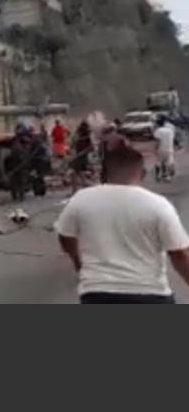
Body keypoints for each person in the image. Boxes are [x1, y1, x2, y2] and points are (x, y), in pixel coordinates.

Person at [55, 145, 189, 303]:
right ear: (143, 174)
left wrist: (78, 262)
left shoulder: (81, 199)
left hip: (96, 293)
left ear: (103, 173)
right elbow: (179, 254)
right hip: (149, 293)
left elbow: (65, 235)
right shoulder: (158, 205)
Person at [69, 121, 93, 193]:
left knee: (73, 172)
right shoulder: (80, 137)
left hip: (81, 158)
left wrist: (82, 153)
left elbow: (91, 148)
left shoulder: (86, 138)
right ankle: (82, 188)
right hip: (78, 157)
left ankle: (75, 190)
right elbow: (73, 145)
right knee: (78, 173)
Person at [154, 117, 176, 182]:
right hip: (169, 149)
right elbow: (172, 139)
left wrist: (156, 149)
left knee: (158, 162)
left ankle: (158, 176)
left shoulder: (158, 130)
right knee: (169, 163)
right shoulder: (170, 130)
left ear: (158, 124)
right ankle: (168, 177)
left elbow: (158, 141)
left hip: (161, 149)